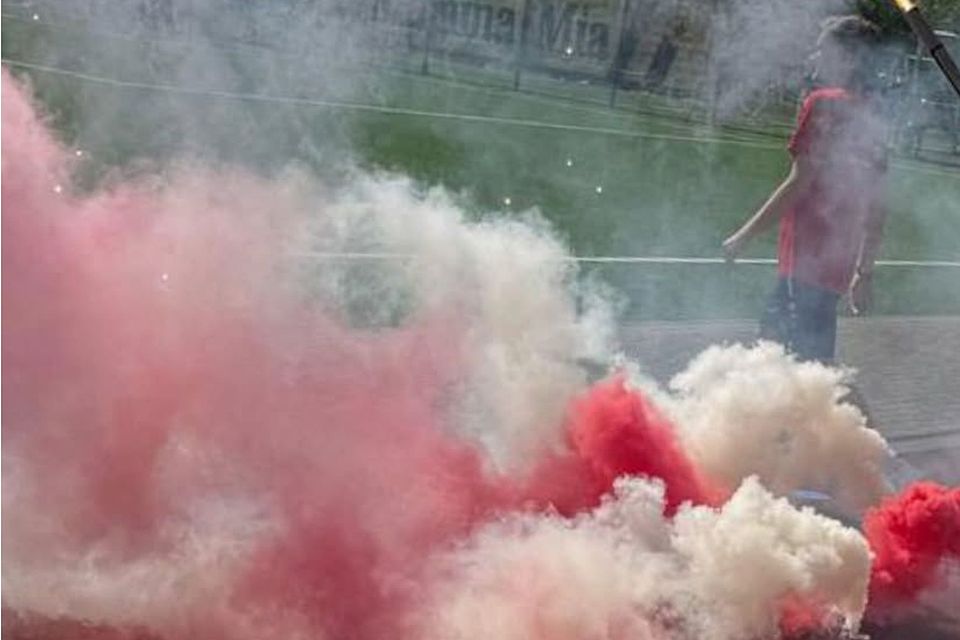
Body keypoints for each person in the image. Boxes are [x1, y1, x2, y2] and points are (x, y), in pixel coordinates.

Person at [722, 15, 888, 364]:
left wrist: (744, 235)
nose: (816, 57)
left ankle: (839, 419)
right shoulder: (874, 113)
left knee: (777, 357)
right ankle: (835, 418)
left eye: (824, 50)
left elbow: (799, 182)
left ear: (849, 56)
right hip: (837, 264)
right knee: (808, 363)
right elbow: (877, 204)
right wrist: (864, 271)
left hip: (805, 260)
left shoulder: (823, 103)